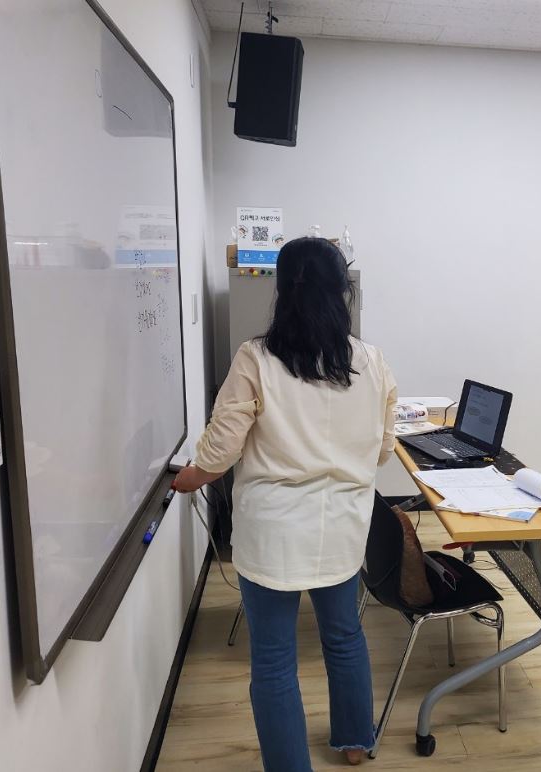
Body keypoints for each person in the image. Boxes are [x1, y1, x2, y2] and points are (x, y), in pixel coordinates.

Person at [173, 237, 397, 771]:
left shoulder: (255, 358)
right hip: (341, 527)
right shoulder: (371, 361)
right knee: (344, 636)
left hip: (272, 534)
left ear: (282, 289)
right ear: (342, 291)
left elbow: (219, 454)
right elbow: (384, 449)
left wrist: (188, 479)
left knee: (274, 661)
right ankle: (355, 742)